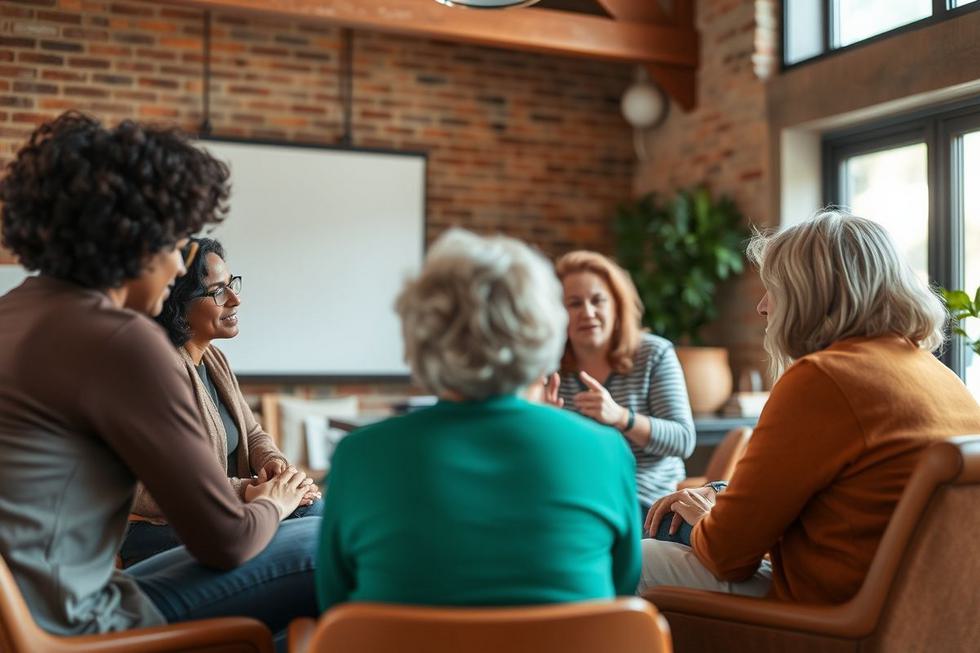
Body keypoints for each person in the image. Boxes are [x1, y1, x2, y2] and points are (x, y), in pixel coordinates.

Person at [0, 112, 318, 643]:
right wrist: (276, 501)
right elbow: (229, 542)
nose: (176, 267)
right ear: (133, 240)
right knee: (326, 541)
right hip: (82, 623)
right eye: (174, 245)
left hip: (28, 618)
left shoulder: (13, 311)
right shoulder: (121, 340)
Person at [639, 210, 980, 603]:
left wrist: (705, 518)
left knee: (641, 559)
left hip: (837, 617)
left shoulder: (823, 378)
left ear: (809, 294)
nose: (763, 307)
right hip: (921, 612)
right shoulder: (937, 375)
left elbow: (726, 556)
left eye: (774, 288)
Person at [316, 229, 641, 611]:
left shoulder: (359, 455)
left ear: (420, 333)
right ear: (543, 329)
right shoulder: (604, 449)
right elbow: (620, 591)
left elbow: (335, 605)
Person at [120, 237, 322, 568]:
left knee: (317, 516)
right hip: (160, 533)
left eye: (231, 285)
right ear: (177, 305)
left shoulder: (214, 360)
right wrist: (250, 491)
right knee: (318, 525)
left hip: (223, 515)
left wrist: (278, 470)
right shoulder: (152, 372)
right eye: (217, 291)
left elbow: (253, 433)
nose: (234, 299)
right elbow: (145, 489)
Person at [548, 250, 695, 517]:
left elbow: (683, 440)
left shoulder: (654, 354)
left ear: (616, 305)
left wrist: (621, 417)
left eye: (598, 300)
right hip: (574, 498)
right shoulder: (549, 366)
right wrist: (544, 423)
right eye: (574, 303)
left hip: (644, 502)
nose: (588, 312)